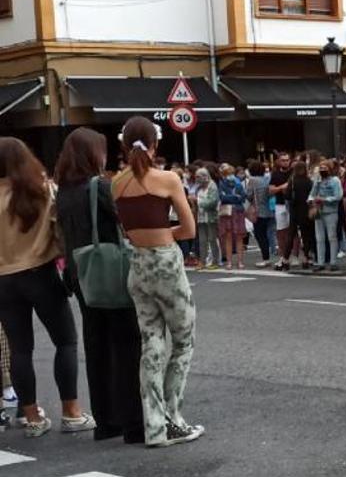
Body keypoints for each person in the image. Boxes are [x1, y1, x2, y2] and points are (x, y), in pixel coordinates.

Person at [112, 116, 203, 447]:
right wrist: (166, 236)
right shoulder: (167, 178)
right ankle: (172, 418)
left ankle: (153, 426)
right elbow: (190, 229)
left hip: (138, 265)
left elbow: (129, 231)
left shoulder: (116, 184)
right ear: (155, 144)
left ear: (124, 145)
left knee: (151, 343)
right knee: (183, 342)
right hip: (166, 262)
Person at [0, 137, 96, 438]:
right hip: (40, 271)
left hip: (3, 279)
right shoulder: (41, 190)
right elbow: (61, 231)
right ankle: (71, 412)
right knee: (65, 341)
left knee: (20, 349)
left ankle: (32, 418)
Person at [55, 127, 145, 443]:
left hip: (80, 273)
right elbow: (126, 220)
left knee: (96, 345)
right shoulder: (99, 186)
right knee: (127, 343)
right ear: (94, 154)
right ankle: (134, 421)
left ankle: (106, 421)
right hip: (109, 268)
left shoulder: (63, 191)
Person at [309, 160, 343, 272]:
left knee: (332, 237)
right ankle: (320, 262)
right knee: (319, 238)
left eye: (325, 168)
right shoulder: (317, 181)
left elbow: (338, 196)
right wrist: (311, 201)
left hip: (331, 211)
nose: (322, 170)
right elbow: (312, 194)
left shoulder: (335, 180)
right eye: (321, 168)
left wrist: (324, 199)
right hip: (319, 211)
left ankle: (333, 262)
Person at [286, 161, 315, 270]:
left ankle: (285, 259)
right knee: (306, 235)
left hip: (294, 211)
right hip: (305, 211)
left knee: (291, 235)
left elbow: (287, 196)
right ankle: (306, 258)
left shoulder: (292, 181)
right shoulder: (309, 182)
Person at [217, 163, 247, 270]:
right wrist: (235, 197)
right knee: (228, 237)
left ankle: (239, 262)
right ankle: (230, 262)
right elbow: (222, 197)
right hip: (229, 212)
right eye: (227, 174)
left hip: (236, 211)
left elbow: (243, 197)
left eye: (230, 173)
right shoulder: (222, 184)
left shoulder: (238, 184)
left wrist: (229, 197)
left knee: (238, 237)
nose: (229, 175)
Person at [245, 160, 274, 268]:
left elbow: (248, 195)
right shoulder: (267, 178)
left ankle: (265, 258)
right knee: (269, 233)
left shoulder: (252, 180)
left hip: (258, 211)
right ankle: (271, 254)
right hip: (269, 209)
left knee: (260, 235)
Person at [192, 168, 220, 270]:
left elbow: (212, 202)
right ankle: (202, 261)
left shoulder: (212, 186)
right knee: (202, 240)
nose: (197, 179)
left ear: (205, 176)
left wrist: (198, 201)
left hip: (211, 216)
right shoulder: (198, 188)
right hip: (200, 217)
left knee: (212, 239)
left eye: (199, 176)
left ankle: (215, 261)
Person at [270, 153, 294, 270]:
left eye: (287, 160)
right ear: (279, 161)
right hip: (280, 204)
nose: (285, 162)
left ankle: (293, 256)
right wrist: (282, 187)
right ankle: (282, 256)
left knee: (293, 231)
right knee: (281, 232)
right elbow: (271, 190)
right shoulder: (275, 174)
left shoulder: (293, 172)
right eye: (283, 160)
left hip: (292, 204)